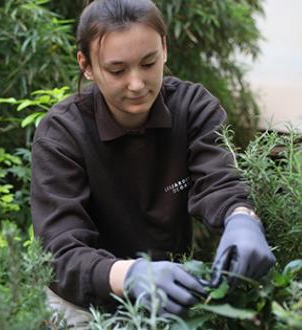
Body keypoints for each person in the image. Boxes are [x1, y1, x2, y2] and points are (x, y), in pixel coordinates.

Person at [31, 0, 275, 327]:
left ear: (164, 48)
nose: (137, 84)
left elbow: (219, 184)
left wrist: (242, 220)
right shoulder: (62, 133)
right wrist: (130, 274)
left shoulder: (193, 108)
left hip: (171, 294)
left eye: (149, 63)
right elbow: (60, 254)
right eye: (117, 70)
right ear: (86, 65)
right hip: (82, 306)